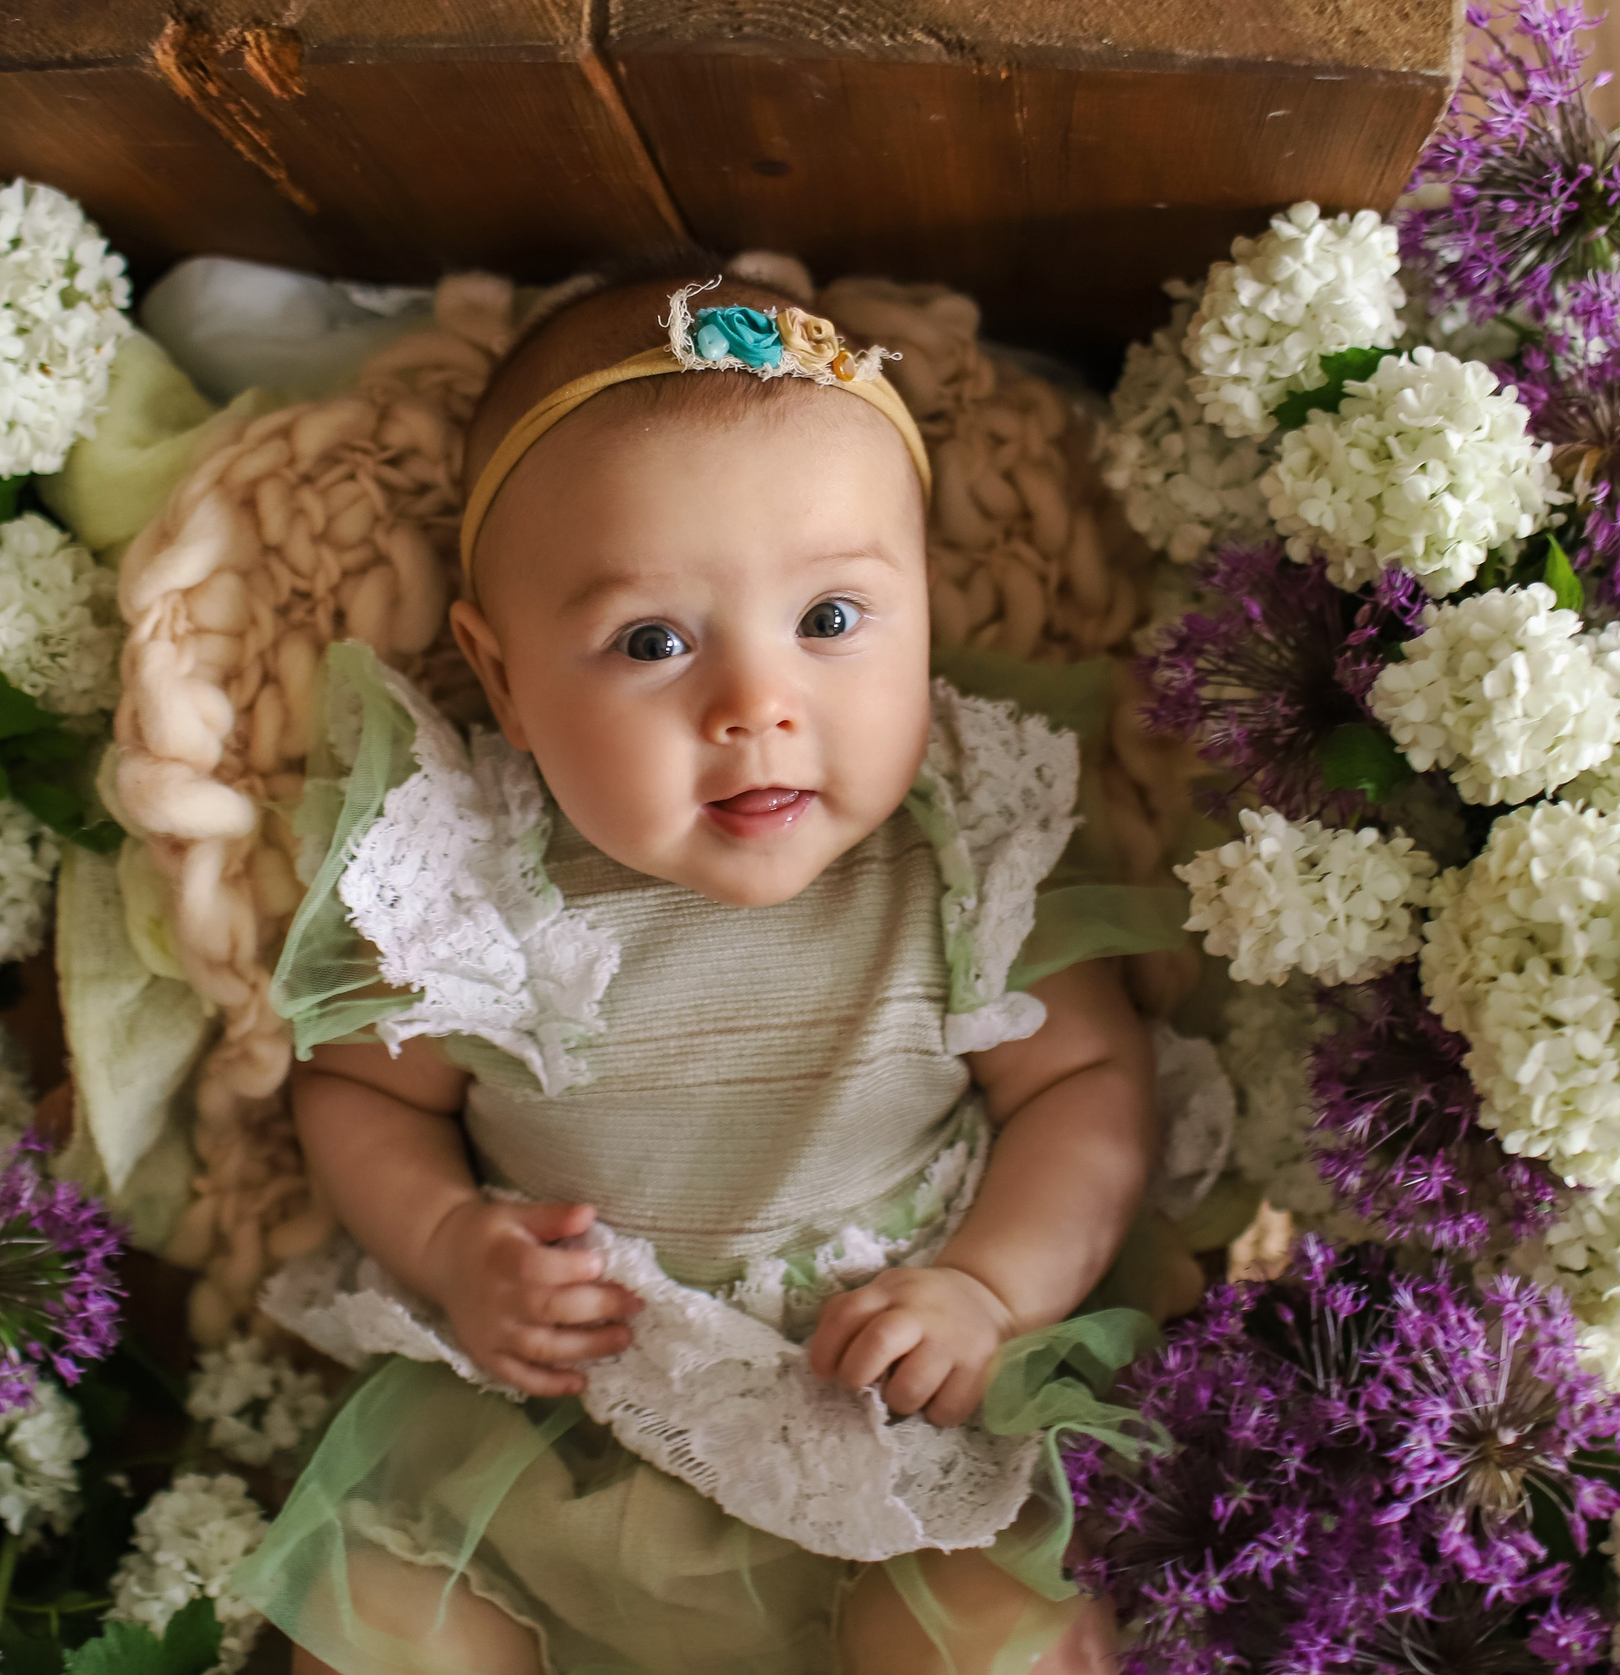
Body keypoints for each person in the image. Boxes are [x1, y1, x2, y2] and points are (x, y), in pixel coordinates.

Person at [236, 265, 1205, 1675]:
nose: (757, 706)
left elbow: (1088, 1086)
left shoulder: (967, 849)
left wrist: (993, 1294)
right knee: (388, 1630)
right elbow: (361, 1099)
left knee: (993, 1634)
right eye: (652, 642)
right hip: (566, 1445)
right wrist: (451, 1243)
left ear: (924, 610)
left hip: (897, 1427)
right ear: (501, 679)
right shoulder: (470, 882)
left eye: (830, 620)